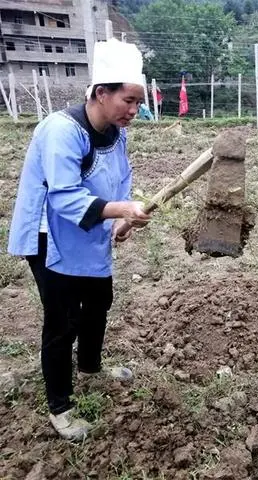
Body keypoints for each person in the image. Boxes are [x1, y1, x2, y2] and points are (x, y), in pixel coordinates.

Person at [7, 38, 152, 441]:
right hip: (49, 235)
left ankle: (90, 366)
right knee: (62, 319)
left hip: (86, 231)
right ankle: (60, 406)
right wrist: (121, 209)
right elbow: (65, 197)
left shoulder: (115, 134)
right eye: (128, 100)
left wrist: (120, 221)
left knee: (99, 300)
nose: (134, 111)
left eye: (138, 103)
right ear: (101, 92)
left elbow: (120, 181)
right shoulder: (62, 130)